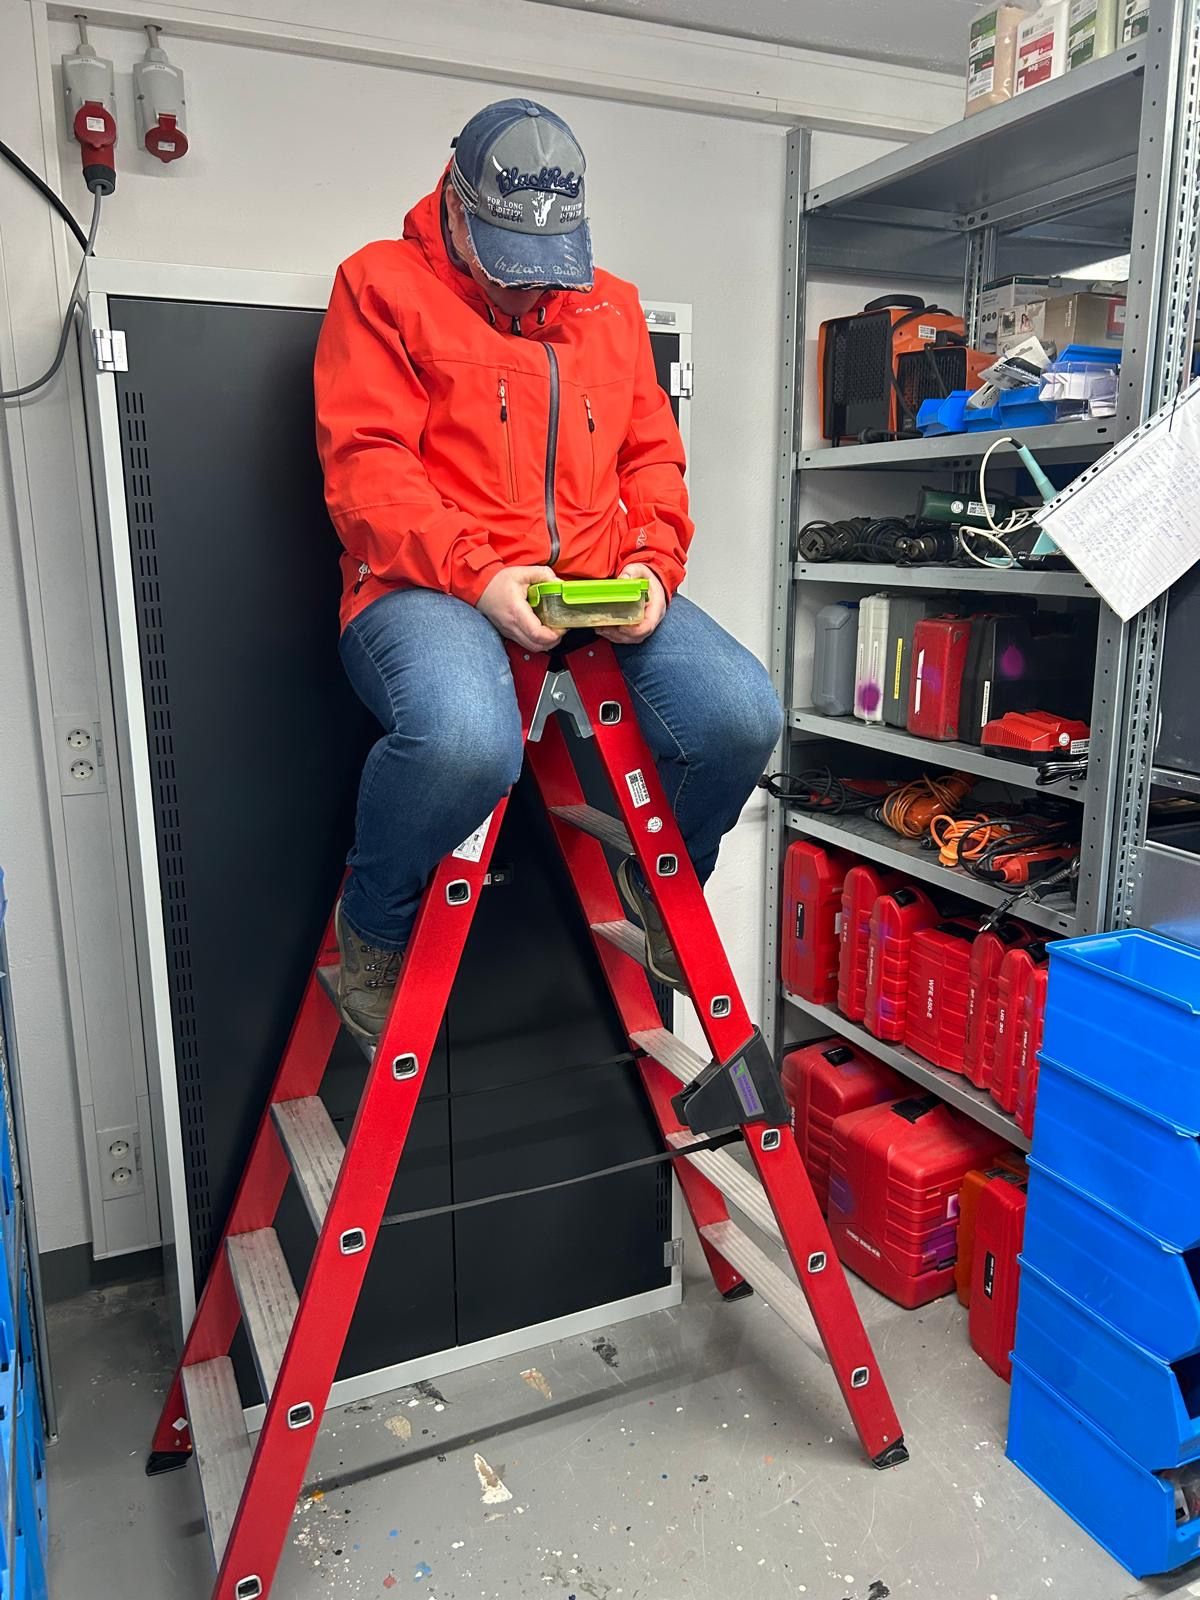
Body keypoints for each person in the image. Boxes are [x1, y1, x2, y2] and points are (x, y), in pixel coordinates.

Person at [314, 97, 782, 1042]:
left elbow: (653, 461)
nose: (532, 293)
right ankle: (374, 921)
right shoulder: (379, 285)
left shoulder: (612, 307)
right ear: (456, 207)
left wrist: (652, 569)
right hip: (428, 583)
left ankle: (664, 882)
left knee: (742, 715)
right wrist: (482, 577)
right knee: (462, 743)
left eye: (547, 268)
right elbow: (368, 473)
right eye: (510, 266)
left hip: (596, 581)